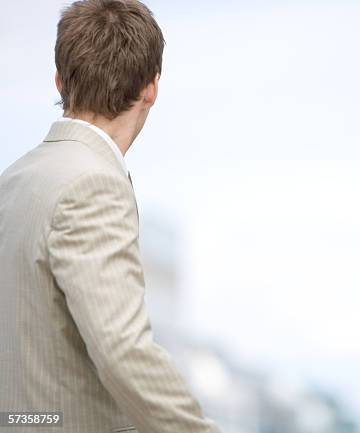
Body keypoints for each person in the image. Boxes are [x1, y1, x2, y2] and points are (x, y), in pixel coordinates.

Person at [0, 1, 221, 432]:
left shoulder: (12, 181)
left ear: (61, 81)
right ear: (151, 88)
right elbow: (123, 350)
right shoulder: (92, 185)